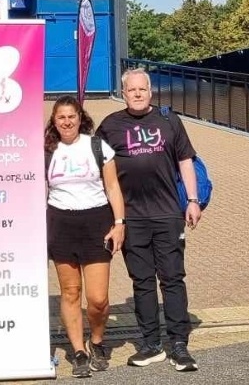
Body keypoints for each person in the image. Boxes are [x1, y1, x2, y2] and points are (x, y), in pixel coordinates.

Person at [96, 68, 202, 373]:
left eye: (142, 89)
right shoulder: (111, 126)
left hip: (168, 214)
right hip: (131, 218)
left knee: (172, 278)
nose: (138, 94)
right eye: (132, 90)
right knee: (141, 282)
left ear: (150, 92)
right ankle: (151, 344)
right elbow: (95, 164)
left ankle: (179, 344)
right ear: (124, 93)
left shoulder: (170, 121)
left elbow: (185, 161)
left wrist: (192, 200)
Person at [45, 95, 126, 378]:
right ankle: (79, 350)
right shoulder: (46, 151)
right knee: (70, 293)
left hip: (96, 222)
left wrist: (119, 223)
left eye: (72, 116)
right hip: (60, 223)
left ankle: (97, 340)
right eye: (61, 117)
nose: (67, 122)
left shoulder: (97, 146)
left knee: (98, 299)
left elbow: (113, 187)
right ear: (54, 122)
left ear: (81, 118)